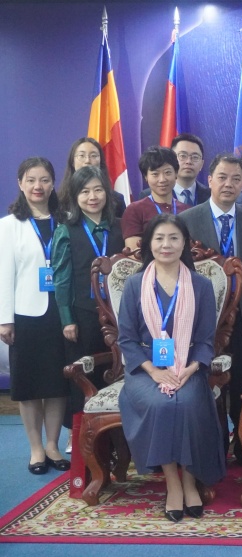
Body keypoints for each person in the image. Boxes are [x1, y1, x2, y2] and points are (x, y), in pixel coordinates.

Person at [117, 214, 225, 522]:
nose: (166, 245)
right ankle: (173, 484)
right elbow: (126, 339)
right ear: (149, 244)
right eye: (159, 238)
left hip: (188, 366)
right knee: (162, 404)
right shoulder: (135, 285)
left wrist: (191, 369)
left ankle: (190, 480)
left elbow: (205, 340)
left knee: (187, 402)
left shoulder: (201, 286)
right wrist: (154, 371)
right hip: (145, 369)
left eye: (174, 238)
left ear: (184, 243)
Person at [179, 153, 242, 465]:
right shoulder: (188, 220)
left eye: (235, 179)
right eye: (222, 177)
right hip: (205, 319)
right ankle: (213, 448)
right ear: (209, 180)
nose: (228, 184)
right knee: (207, 383)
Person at [0, 157, 70, 474]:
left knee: (56, 383)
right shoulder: (8, 225)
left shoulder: (65, 219)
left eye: (44, 180)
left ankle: (53, 444)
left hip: (61, 313)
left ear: (53, 183)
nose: (37, 186)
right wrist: (5, 319)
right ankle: (36, 449)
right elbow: (4, 275)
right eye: (30, 180)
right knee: (29, 386)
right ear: (20, 184)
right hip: (26, 314)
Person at [52, 165, 125, 436]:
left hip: (118, 316)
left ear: (107, 193)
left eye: (97, 190)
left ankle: (117, 438)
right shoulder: (66, 231)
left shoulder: (120, 227)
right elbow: (62, 280)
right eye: (84, 192)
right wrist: (67, 320)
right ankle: (81, 437)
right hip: (83, 315)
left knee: (116, 372)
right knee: (84, 376)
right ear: (75, 196)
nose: (92, 197)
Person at [122, 146, 190, 250]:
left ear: (176, 174)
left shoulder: (188, 211)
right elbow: (133, 253)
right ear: (146, 177)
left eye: (167, 172)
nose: (162, 179)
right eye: (155, 174)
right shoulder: (134, 210)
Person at [59, 136, 125, 218]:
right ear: (72, 162)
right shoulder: (61, 200)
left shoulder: (117, 200)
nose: (87, 161)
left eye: (93, 156)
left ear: (101, 161)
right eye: (81, 155)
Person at [140, 133, 211, 206]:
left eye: (195, 157)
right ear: (172, 159)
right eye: (182, 156)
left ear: (202, 164)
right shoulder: (147, 196)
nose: (188, 161)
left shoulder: (211, 195)